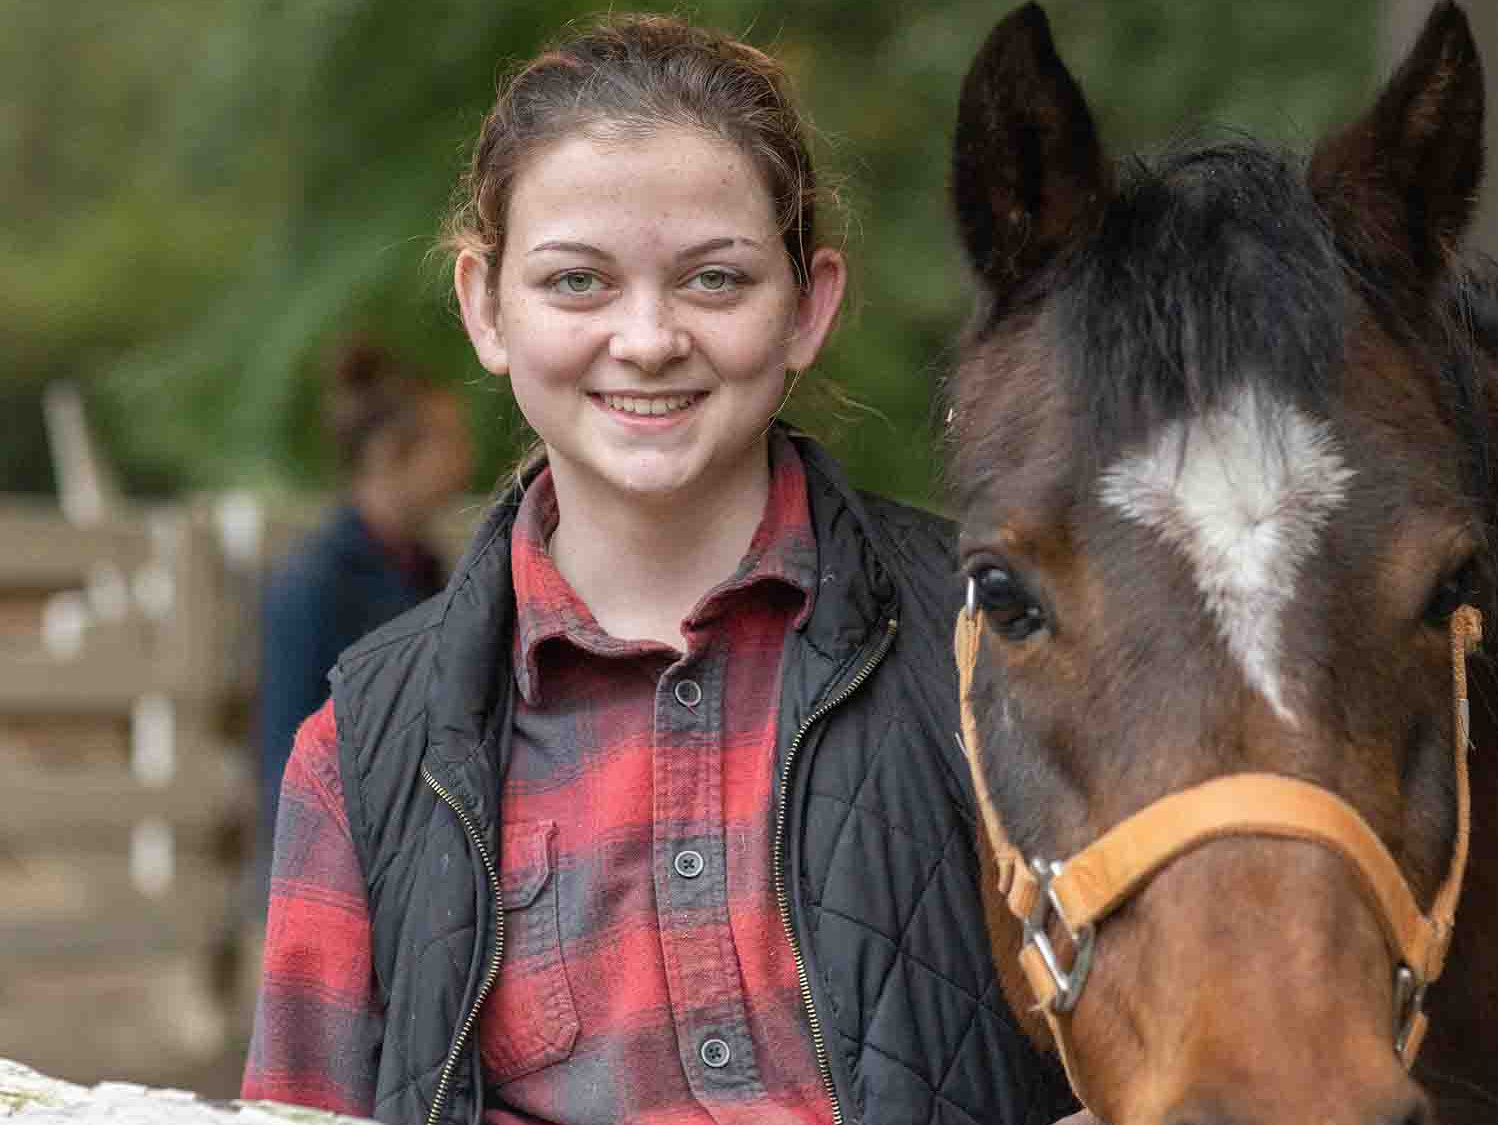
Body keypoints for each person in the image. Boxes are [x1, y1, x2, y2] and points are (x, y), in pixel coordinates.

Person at [242, 15, 1075, 1125]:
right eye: (577, 282)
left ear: (808, 306)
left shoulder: (1000, 650)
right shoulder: (360, 759)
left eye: (714, 280)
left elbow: (1184, 1057)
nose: (646, 337)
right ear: (485, 307)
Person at [253, 338, 471, 882]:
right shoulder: (314, 584)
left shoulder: (430, 572)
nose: (462, 460)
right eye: (443, 442)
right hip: (338, 874)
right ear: (387, 454)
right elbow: (288, 750)